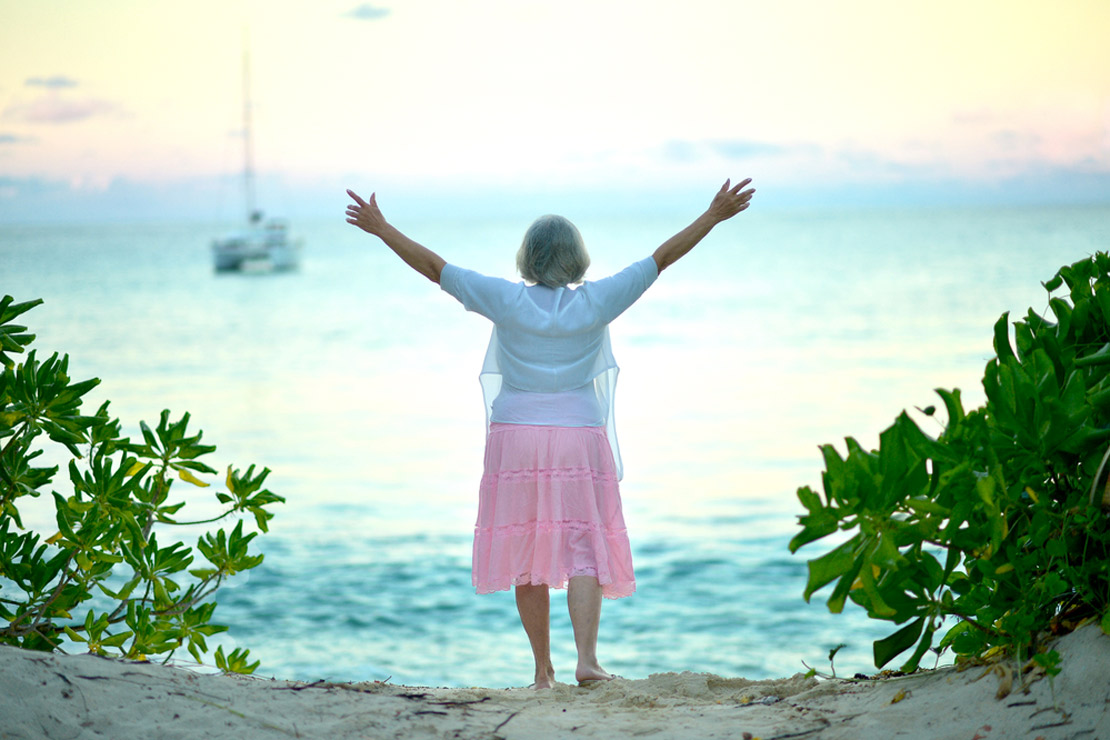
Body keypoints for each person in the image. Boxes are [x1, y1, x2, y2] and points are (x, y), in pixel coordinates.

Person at [345, 179, 755, 689]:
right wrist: (713, 215)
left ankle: (543, 672)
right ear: (576, 258)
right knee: (584, 548)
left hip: (516, 436)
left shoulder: (505, 299)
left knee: (528, 550)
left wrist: (382, 229)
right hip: (578, 436)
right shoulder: (598, 300)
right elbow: (661, 258)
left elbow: (436, 269)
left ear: (528, 257)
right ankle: (588, 661)